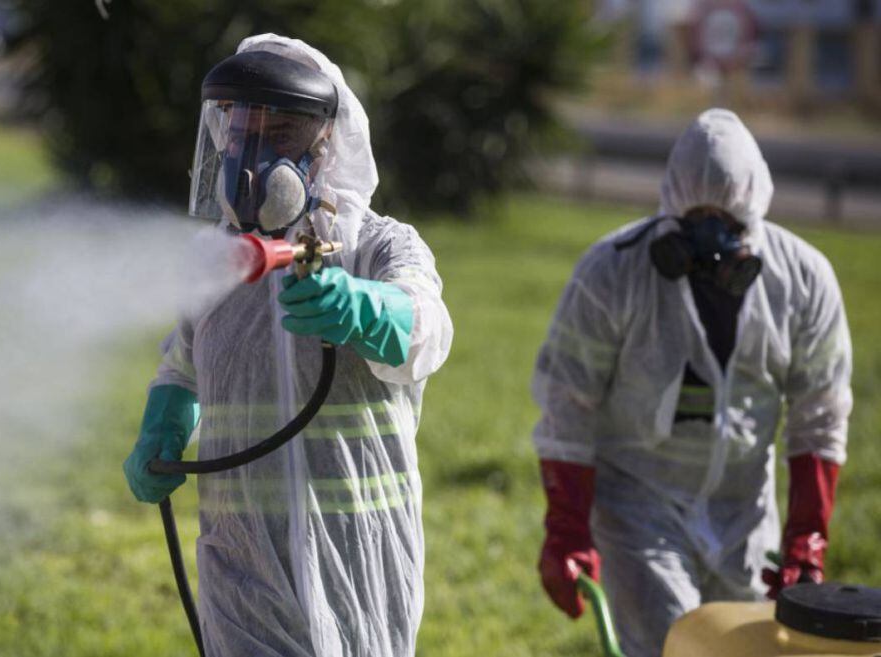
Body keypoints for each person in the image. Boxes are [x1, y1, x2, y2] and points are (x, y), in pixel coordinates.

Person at [122, 34, 453, 657]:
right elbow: (183, 364)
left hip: (357, 550)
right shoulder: (215, 261)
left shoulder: (378, 246)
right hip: (241, 556)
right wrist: (162, 425)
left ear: (326, 143)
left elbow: (426, 330)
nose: (248, 155)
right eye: (237, 129)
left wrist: (364, 308)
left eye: (278, 134)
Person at [531, 109, 851, 657]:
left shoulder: (803, 280)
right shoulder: (612, 272)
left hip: (745, 511)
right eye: (696, 216)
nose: (709, 237)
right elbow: (567, 404)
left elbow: (819, 416)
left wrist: (806, 538)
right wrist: (567, 530)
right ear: (671, 207)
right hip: (639, 504)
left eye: (727, 220)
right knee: (671, 645)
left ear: (755, 214)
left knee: (746, 649)